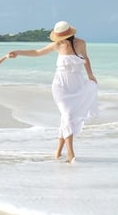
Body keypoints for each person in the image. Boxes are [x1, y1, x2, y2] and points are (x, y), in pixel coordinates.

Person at [9, 21, 98, 163]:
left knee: (67, 118)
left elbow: (86, 59)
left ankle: (57, 152)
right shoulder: (57, 45)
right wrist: (18, 52)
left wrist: (90, 75)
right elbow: (37, 52)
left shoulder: (81, 43)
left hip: (77, 83)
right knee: (67, 115)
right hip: (60, 84)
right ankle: (71, 154)